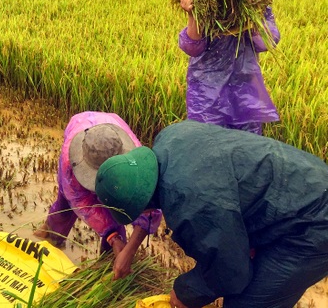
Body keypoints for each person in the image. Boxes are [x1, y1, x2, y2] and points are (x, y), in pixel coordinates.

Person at [95, 120, 328, 308]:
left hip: (312, 223)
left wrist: (185, 294)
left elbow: (231, 271)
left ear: (143, 206)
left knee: (246, 303)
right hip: (307, 179)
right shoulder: (171, 137)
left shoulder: (189, 202)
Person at [33, 111, 162, 280]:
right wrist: (113, 237)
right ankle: (50, 241)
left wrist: (129, 250)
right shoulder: (69, 163)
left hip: (112, 125)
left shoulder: (136, 159)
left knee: (115, 212)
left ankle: (110, 265)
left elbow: (150, 206)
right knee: (64, 207)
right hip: (79, 128)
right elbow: (81, 201)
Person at [178, 0, 290, 134]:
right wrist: (192, 15)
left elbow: (266, 42)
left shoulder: (263, 12)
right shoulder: (215, 7)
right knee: (208, 143)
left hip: (245, 93)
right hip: (207, 95)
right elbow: (192, 47)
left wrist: (251, 18)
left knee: (247, 147)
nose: (270, 0)